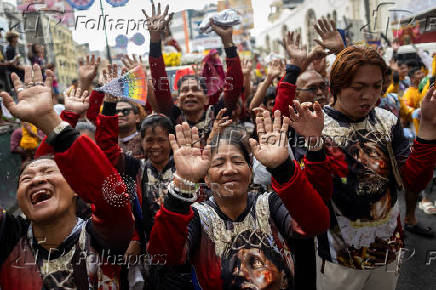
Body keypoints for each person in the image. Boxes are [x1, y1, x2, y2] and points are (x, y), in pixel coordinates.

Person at [147, 107, 332, 289]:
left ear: (250, 172)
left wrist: (283, 168)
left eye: (237, 161)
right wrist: (183, 184)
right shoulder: (198, 217)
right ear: (207, 178)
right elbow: (163, 256)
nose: (229, 170)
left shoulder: (270, 204)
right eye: (219, 163)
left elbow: (316, 224)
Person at [0, 64, 134, 289]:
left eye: (48, 173)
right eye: (26, 180)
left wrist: (52, 121)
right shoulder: (8, 238)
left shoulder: (103, 237)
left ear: (76, 188)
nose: (36, 180)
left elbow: (112, 195)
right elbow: (44, 161)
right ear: (20, 199)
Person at [316, 45, 436, 290]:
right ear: (335, 87)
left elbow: (413, 182)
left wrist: (428, 127)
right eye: (358, 87)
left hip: (388, 250)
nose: (369, 96)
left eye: (376, 86)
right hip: (340, 258)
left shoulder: (387, 120)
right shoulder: (315, 126)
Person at [144, 3, 243, 146]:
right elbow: (160, 84)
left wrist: (228, 42)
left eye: (195, 89)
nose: (190, 94)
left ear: (207, 99)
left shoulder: (219, 114)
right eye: (184, 90)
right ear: (177, 100)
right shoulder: (173, 117)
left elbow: (235, 84)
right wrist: (154, 39)